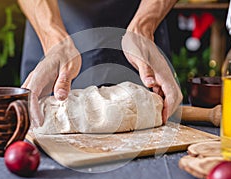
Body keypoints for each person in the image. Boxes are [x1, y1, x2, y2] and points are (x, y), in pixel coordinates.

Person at [17, 0, 183, 127]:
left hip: (141, 11)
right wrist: (52, 38)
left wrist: (144, 26)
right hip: (51, 14)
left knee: (151, 114)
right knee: (43, 116)